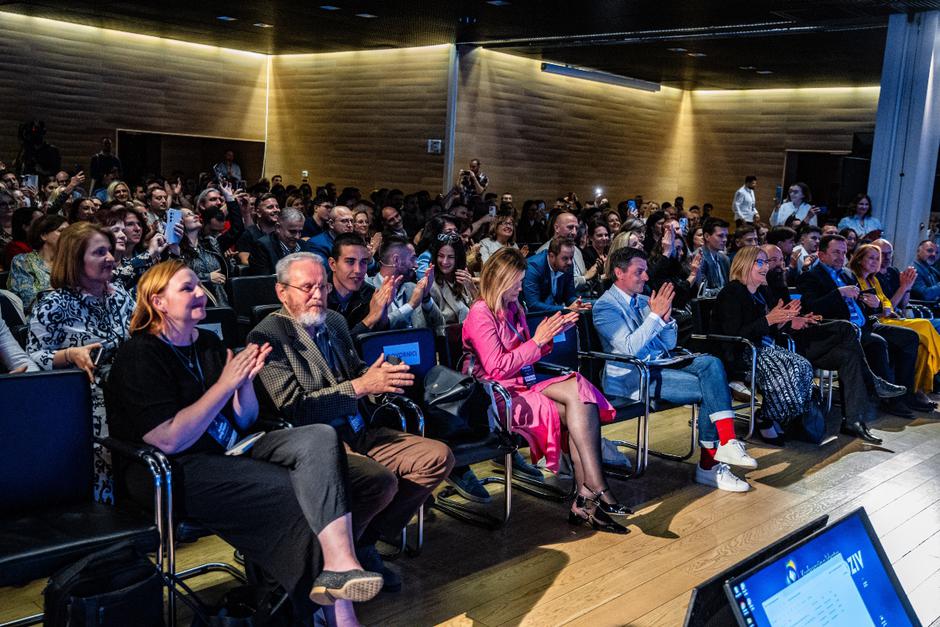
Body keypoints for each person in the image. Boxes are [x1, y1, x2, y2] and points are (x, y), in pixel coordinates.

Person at [107, 261, 384, 624]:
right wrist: (225, 384)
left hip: (229, 449)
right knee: (298, 492)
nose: (200, 292)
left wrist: (244, 385)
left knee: (320, 436)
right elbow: (170, 439)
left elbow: (244, 419)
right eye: (188, 288)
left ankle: (338, 564)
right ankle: (335, 615)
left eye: (199, 285)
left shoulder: (206, 342)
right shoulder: (140, 354)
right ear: (159, 302)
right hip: (168, 470)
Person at [248, 253, 454, 591]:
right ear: (282, 292)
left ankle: (362, 541)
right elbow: (292, 409)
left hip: (359, 429)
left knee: (437, 458)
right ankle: (328, 555)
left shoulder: (334, 321)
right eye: (307, 287)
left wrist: (378, 378)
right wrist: (360, 386)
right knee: (379, 481)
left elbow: (356, 369)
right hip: (315, 442)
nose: (317, 294)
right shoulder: (267, 336)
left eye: (323, 286)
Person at [461, 247, 628, 533]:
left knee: (579, 393)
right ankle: (592, 493)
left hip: (524, 384)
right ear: (498, 280)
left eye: (520, 281)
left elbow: (530, 354)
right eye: (515, 282)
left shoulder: (515, 307)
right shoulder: (480, 313)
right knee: (576, 409)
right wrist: (537, 341)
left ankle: (589, 495)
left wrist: (547, 337)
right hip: (497, 396)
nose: (519, 287)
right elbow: (498, 368)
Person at [593, 247, 757, 492]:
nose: (646, 277)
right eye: (640, 272)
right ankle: (710, 465)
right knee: (710, 388)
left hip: (660, 364)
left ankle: (727, 442)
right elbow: (629, 349)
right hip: (633, 377)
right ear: (619, 272)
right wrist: (656, 317)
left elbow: (668, 344)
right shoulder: (605, 307)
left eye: (646, 271)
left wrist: (667, 321)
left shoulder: (642, 299)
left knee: (712, 363)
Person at [27, 222, 135, 502]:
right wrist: (70, 355)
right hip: (83, 397)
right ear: (76, 259)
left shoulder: (121, 295)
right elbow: (34, 357)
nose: (110, 258)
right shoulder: (54, 304)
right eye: (99, 253)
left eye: (110, 251)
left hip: (127, 389)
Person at [798, 234, 927, 419]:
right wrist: (838, 293)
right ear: (821, 254)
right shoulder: (811, 277)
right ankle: (889, 399)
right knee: (877, 343)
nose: (841, 257)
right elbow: (811, 307)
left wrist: (872, 303)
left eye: (843, 253)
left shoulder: (847, 274)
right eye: (835, 252)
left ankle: (906, 393)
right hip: (839, 330)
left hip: (866, 323)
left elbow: (861, 305)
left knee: (910, 337)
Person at [716, 246, 815, 445]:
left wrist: (781, 320)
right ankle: (767, 417)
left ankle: (774, 415)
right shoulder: (732, 292)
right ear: (744, 265)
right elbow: (733, 335)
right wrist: (769, 320)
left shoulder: (761, 293)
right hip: (741, 352)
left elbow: (767, 329)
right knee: (788, 368)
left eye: (766, 262)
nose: (765, 267)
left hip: (762, 348)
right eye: (760, 262)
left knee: (803, 365)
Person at [849, 244, 940, 406]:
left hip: (889, 317)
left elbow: (887, 304)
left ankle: (917, 389)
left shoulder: (874, 278)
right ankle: (914, 390)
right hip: (875, 323)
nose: (877, 261)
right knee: (924, 327)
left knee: (924, 339)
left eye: (880, 257)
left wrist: (906, 288)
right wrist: (887, 305)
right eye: (872, 257)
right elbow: (878, 308)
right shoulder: (853, 277)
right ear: (859, 259)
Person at [366, 236, 443, 330]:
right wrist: (410, 305)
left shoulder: (413, 288)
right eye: (412, 259)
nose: (416, 265)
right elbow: (380, 328)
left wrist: (426, 298)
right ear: (396, 260)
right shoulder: (369, 289)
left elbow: (440, 325)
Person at [327, 233, 393, 340]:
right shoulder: (318, 295)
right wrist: (370, 319)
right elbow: (335, 349)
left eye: (363, 262)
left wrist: (383, 313)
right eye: (350, 261)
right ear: (333, 264)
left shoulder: (370, 294)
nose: (358, 270)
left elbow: (383, 341)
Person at [7, 214, 68, 313]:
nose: (67, 235)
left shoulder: (69, 261)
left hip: (71, 316)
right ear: (43, 235)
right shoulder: (23, 261)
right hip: (38, 319)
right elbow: (28, 302)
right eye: (61, 231)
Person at [523, 237, 592, 314]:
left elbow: (569, 296)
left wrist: (577, 303)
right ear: (552, 256)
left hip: (556, 310)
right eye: (565, 258)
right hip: (534, 315)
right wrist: (566, 308)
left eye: (571, 258)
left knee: (586, 311)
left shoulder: (567, 265)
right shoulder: (533, 268)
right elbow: (533, 304)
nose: (569, 262)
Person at [178, 208, 230, 306]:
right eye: (188, 215)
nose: (196, 216)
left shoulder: (210, 242)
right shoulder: (176, 249)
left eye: (193, 213)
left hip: (221, 300)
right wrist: (207, 277)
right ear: (179, 223)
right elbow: (177, 278)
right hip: (193, 304)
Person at [429, 233, 477, 325]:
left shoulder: (463, 277)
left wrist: (473, 289)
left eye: (450, 257)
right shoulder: (431, 285)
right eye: (441, 256)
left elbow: (483, 312)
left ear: (458, 258)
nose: (444, 261)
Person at [249, 207, 305, 276]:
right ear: (278, 228)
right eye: (292, 231)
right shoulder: (262, 247)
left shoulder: (304, 245)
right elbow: (263, 282)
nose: (297, 237)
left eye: (300, 232)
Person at [236, 193, 280, 265]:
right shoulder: (248, 234)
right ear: (258, 212)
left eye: (277, 206)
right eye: (270, 207)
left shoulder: (282, 232)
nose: (276, 210)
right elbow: (245, 261)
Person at [698, 217, 731, 296]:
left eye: (726, 236)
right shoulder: (698, 258)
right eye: (720, 236)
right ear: (707, 236)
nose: (725, 239)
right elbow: (703, 291)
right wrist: (726, 290)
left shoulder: (725, 259)